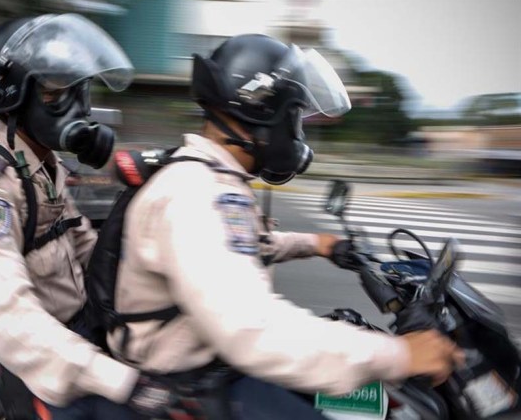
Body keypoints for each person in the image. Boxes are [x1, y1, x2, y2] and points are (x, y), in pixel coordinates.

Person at [107, 34, 462, 418]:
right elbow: (252, 328)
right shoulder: (196, 193)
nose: (297, 132)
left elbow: (242, 247)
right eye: (294, 115)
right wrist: (399, 355)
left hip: (211, 360)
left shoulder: (212, 177)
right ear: (260, 111)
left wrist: (318, 244)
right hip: (187, 383)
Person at [0, 13, 144, 419]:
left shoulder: (44, 169)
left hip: (76, 334)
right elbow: (11, 318)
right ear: (13, 96)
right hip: (31, 364)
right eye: (56, 91)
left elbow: (86, 248)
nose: (78, 106)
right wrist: (118, 380)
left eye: (81, 88)